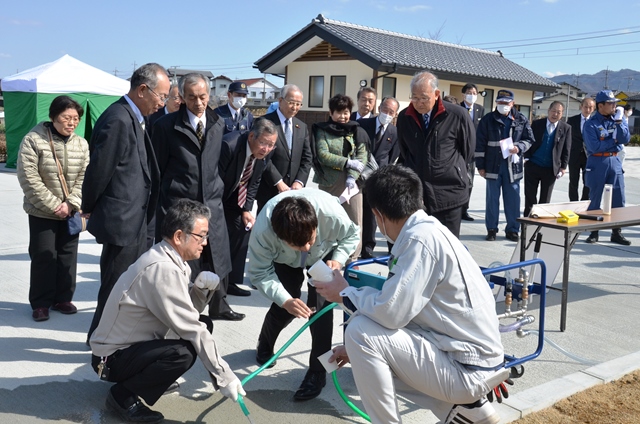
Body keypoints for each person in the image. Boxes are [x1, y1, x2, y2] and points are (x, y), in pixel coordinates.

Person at [314, 165, 504, 424]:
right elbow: (405, 312)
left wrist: (344, 292)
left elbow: (390, 312)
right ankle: (471, 412)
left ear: (377, 214)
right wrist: (354, 350)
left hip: (467, 369)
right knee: (364, 348)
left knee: (359, 331)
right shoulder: (428, 230)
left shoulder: (419, 241)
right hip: (471, 361)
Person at [90, 199, 244, 423]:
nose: (205, 243)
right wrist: (225, 376)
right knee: (183, 352)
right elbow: (190, 327)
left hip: (126, 350)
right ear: (180, 236)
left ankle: (149, 379)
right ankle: (122, 396)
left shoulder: (169, 258)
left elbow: (187, 314)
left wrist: (200, 290)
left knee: (203, 325)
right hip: (108, 361)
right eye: (201, 236)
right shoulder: (163, 269)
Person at [82, 63, 170, 340]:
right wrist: (88, 208)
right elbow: (99, 169)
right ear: (143, 90)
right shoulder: (118, 119)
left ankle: (113, 335)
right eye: (162, 96)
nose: (163, 103)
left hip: (138, 218)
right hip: (123, 220)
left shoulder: (137, 117)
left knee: (128, 284)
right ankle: (100, 339)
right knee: (115, 284)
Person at [247, 189, 359, 401]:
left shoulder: (332, 214)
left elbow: (352, 234)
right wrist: (285, 300)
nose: (306, 248)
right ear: (279, 236)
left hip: (323, 254)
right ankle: (265, 344)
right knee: (286, 306)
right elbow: (259, 272)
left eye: (309, 240)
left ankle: (318, 372)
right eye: (299, 245)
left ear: (315, 225)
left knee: (321, 310)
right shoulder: (264, 231)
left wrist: (338, 257)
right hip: (284, 260)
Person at [152, 73, 244, 319]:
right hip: (181, 204)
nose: (199, 102)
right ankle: (186, 310)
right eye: (191, 97)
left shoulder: (217, 123)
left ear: (209, 95)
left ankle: (219, 306)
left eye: (203, 96)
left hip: (212, 201)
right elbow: (157, 170)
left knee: (217, 257)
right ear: (182, 97)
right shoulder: (165, 126)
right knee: (187, 261)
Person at [17, 96, 90, 322]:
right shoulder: (33, 139)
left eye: (75, 119)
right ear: (53, 117)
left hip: (70, 210)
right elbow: (28, 177)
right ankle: (40, 303)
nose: (71, 123)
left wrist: (70, 203)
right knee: (43, 257)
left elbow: (84, 177)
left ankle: (63, 298)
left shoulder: (81, 143)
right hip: (41, 211)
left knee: (68, 256)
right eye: (66, 118)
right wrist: (53, 205)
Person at [397, 71, 475, 238]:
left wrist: (450, 168)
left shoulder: (457, 115)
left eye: (424, 97)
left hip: (449, 192)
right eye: (414, 97)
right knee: (420, 244)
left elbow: (467, 151)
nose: (419, 103)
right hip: (418, 195)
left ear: (437, 94)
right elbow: (405, 151)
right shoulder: (405, 117)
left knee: (447, 247)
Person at [216, 119, 277, 309]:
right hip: (217, 198)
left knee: (244, 228)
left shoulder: (263, 155)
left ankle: (232, 281)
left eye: (271, 145)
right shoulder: (229, 145)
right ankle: (218, 287)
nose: (267, 148)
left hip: (236, 199)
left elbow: (254, 183)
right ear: (252, 136)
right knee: (222, 238)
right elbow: (213, 180)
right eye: (264, 143)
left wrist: (246, 210)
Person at [312, 93, 369, 262]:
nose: (343, 116)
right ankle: (327, 257)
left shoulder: (357, 130)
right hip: (329, 183)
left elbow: (362, 156)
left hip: (353, 185)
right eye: (339, 112)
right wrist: (347, 163)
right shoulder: (322, 130)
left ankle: (352, 259)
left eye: (346, 112)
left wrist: (352, 176)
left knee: (354, 222)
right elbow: (322, 155)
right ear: (331, 113)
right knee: (328, 221)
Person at [476, 89, 533, 242]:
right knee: (492, 200)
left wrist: (519, 147)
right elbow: (479, 144)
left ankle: (513, 230)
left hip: (512, 167)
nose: (503, 105)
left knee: (513, 199)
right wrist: (480, 166)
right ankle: (492, 229)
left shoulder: (521, 119)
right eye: (500, 102)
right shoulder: (487, 120)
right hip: (492, 166)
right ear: (496, 103)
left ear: (512, 103)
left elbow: (529, 140)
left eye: (506, 103)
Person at [583, 90, 631, 245]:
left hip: (615, 162)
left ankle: (616, 232)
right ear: (600, 105)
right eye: (610, 103)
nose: (614, 106)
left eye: (614, 103)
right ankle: (593, 232)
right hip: (597, 163)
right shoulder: (591, 123)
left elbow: (626, 138)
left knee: (618, 197)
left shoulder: (617, 119)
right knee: (595, 198)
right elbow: (595, 146)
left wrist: (618, 123)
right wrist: (614, 142)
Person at [256, 84, 313, 211]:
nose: (295, 107)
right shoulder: (264, 122)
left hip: (293, 191)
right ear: (280, 100)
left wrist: (299, 181)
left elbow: (307, 158)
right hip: (269, 188)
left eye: (299, 104)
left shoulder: (301, 127)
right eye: (291, 102)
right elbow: (261, 155)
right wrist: (278, 182)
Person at [357, 96, 400, 258]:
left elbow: (392, 157)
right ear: (379, 108)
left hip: (378, 179)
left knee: (372, 215)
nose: (387, 114)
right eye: (385, 109)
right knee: (356, 213)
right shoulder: (363, 124)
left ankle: (368, 248)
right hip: (358, 176)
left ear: (395, 114)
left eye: (391, 112)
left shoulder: (394, 132)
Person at [523, 101, 572, 218]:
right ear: (548, 111)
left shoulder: (566, 128)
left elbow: (567, 149)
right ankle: (527, 223)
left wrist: (563, 166)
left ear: (562, 114)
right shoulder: (537, 124)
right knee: (530, 197)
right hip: (533, 165)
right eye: (553, 111)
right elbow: (528, 140)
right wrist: (527, 157)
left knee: (545, 199)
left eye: (558, 112)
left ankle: (540, 226)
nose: (555, 114)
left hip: (550, 168)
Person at [460, 83, 486, 222]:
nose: (472, 95)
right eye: (469, 92)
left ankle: (465, 209)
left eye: (475, 93)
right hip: (458, 151)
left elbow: (482, 132)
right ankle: (456, 208)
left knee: (469, 182)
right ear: (463, 94)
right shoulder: (457, 109)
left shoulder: (480, 110)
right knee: (457, 180)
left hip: (473, 152)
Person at [567, 98, 595, 202]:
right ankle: (573, 202)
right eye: (586, 107)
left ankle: (584, 201)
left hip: (589, 156)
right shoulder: (572, 120)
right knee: (573, 181)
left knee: (587, 181)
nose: (588, 109)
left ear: (594, 109)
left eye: (590, 107)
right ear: (581, 107)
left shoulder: (595, 122)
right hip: (574, 155)